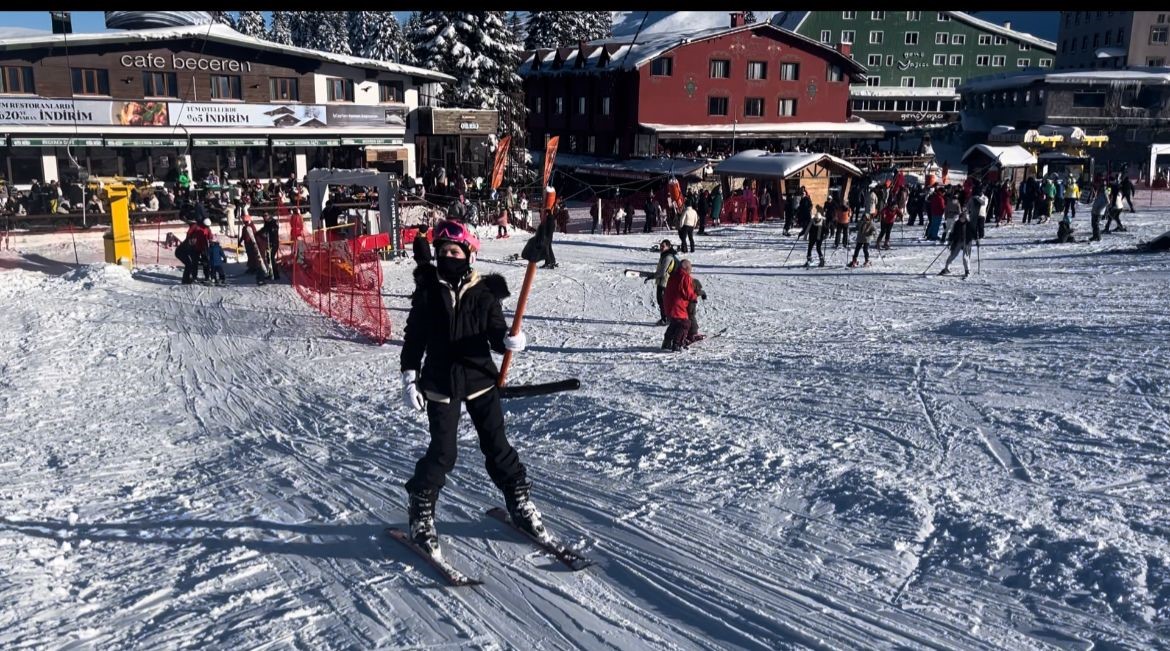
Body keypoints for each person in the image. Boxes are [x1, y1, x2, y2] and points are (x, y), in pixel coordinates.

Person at [400, 219, 544, 556]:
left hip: (480, 380)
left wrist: (508, 339)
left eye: (455, 251)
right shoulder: (428, 293)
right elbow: (414, 337)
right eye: (443, 252)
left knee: (497, 446)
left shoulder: (484, 293)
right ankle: (420, 506)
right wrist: (409, 375)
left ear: (469, 254)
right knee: (443, 453)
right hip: (440, 381)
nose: (449, 257)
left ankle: (519, 502)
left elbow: (495, 333)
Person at [661, 258, 698, 352]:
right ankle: (677, 344)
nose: (691, 270)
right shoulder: (685, 276)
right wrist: (694, 297)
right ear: (686, 267)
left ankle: (666, 342)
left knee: (675, 323)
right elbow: (688, 292)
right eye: (690, 267)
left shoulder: (674, 275)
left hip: (668, 302)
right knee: (684, 323)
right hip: (677, 304)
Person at [939, 203, 978, 278]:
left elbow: (974, 233)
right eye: (961, 218)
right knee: (952, 255)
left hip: (966, 242)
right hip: (958, 241)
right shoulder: (957, 224)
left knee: (965, 257)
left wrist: (976, 239)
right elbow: (952, 233)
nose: (962, 219)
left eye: (963, 218)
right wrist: (950, 240)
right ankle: (947, 268)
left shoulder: (969, 224)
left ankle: (967, 270)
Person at [648, 239, 680, 326]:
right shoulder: (664, 255)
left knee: (662, 301)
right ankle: (667, 318)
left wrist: (653, 276)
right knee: (662, 301)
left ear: (668, 247)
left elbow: (663, 272)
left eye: (663, 246)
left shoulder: (668, 257)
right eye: (661, 246)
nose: (661, 248)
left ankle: (666, 319)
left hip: (665, 282)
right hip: (662, 281)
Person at [239, 213, 269, 285]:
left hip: (252, 244)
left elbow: (254, 236)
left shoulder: (251, 227)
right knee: (250, 256)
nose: (244, 222)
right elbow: (243, 236)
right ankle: (251, 267)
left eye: (245, 221)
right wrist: (240, 241)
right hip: (248, 244)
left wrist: (255, 243)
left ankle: (255, 268)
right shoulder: (245, 228)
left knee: (254, 257)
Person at [684, 277, 709, 345]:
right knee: (691, 317)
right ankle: (693, 333)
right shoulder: (693, 288)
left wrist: (703, 294)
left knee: (688, 318)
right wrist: (703, 294)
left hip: (686, 305)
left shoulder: (687, 286)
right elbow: (699, 292)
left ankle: (689, 333)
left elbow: (699, 291)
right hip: (691, 305)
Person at [259, 213, 281, 280]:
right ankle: (271, 273)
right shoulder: (267, 223)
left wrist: (269, 231)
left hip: (274, 243)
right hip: (268, 243)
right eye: (263, 216)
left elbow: (274, 230)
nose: (264, 218)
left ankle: (276, 274)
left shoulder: (273, 222)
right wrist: (259, 233)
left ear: (269, 216)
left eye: (265, 216)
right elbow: (264, 229)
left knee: (271, 258)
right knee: (268, 258)